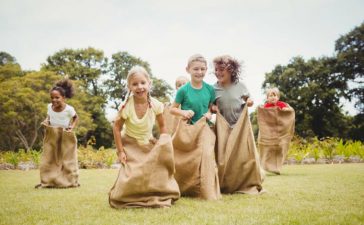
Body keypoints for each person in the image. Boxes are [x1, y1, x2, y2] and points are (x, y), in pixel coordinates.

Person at [109, 65, 180, 208]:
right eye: (134, 84)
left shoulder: (156, 105)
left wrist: (164, 144)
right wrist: (121, 151)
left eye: (142, 83)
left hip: (147, 143)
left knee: (154, 172)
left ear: (149, 84)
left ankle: (153, 195)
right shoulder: (126, 106)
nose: (139, 87)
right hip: (129, 143)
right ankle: (126, 195)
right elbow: (116, 128)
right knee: (131, 175)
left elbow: (162, 127)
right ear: (129, 86)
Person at [170, 54, 221, 200]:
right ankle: (184, 188)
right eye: (196, 69)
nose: (199, 72)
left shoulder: (210, 89)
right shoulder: (183, 90)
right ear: (188, 69)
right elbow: (172, 109)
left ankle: (208, 191)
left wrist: (210, 112)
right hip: (188, 129)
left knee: (206, 155)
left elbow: (211, 107)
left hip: (205, 127)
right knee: (185, 159)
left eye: (203, 69)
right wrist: (183, 112)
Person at [213, 55, 264, 194]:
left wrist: (250, 101)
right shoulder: (214, 88)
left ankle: (247, 181)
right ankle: (226, 183)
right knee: (224, 157)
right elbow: (210, 105)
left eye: (221, 69)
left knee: (244, 156)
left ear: (231, 70)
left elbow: (249, 98)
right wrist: (212, 108)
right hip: (223, 128)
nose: (218, 72)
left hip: (240, 127)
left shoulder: (240, 86)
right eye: (216, 69)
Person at [36, 78, 79, 188]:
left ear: (63, 98)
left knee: (67, 160)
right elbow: (49, 117)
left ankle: (70, 181)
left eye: (57, 97)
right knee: (49, 158)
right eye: (52, 98)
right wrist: (46, 121)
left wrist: (71, 127)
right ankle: (47, 181)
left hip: (65, 135)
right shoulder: (49, 107)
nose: (54, 100)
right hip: (52, 135)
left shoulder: (69, 109)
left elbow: (75, 118)